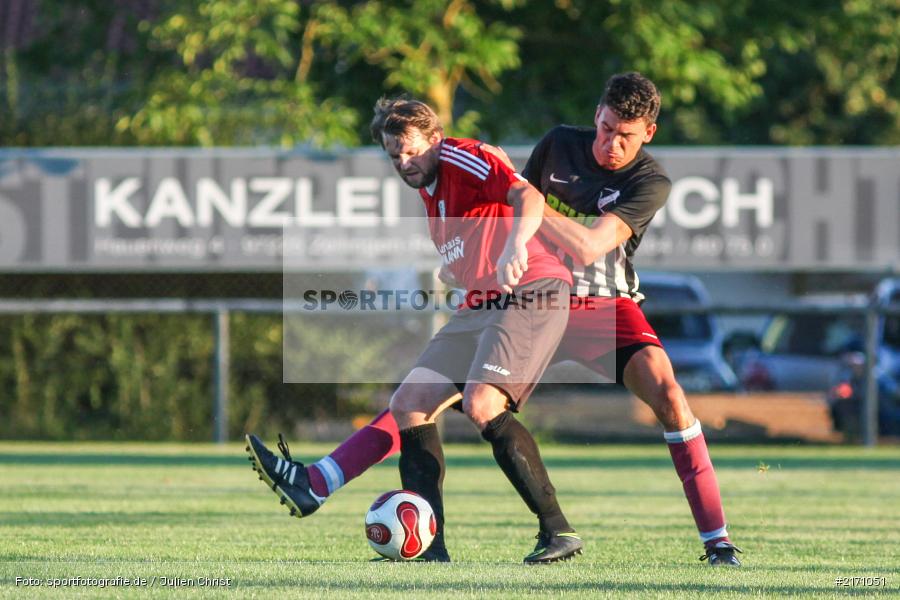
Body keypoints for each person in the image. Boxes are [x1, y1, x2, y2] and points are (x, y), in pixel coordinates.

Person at [248, 73, 742, 567]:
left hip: (599, 302)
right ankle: (321, 483)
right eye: (606, 127)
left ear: (648, 134)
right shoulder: (557, 145)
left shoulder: (649, 180)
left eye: (625, 135)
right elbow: (505, 206)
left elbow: (584, 241)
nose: (611, 142)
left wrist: (521, 195)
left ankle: (717, 542)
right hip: (518, 291)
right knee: (418, 399)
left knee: (670, 396)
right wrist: (471, 258)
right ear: (597, 114)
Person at [247, 97, 584, 564]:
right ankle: (432, 550)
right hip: (482, 303)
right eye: (393, 156)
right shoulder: (430, 192)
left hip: (532, 290)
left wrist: (515, 247)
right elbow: (470, 248)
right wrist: (459, 270)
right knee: (409, 404)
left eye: (410, 150)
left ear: (436, 139)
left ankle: (557, 532)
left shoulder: (463, 155)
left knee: (482, 404)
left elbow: (526, 197)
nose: (403, 163)